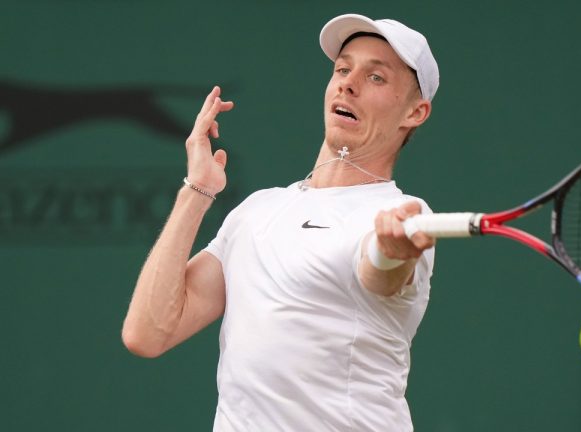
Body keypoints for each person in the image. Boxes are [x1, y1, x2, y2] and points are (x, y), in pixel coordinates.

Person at [122, 13, 439, 431]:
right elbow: (147, 333)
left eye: (376, 77)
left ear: (414, 112)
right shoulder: (256, 211)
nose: (348, 83)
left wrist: (393, 253)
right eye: (342, 68)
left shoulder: (399, 216)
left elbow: (380, 272)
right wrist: (196, 190)